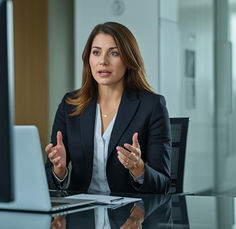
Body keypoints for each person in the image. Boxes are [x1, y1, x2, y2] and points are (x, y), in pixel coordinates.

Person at [45, 22, 171, 194]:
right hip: (82, 215)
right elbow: (47, 181)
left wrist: (138, 168)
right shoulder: (70, 104)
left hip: (131, 215)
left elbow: (163, 184)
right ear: (88, 59)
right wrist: (59, 170)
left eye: (114, 53)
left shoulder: (152, 106)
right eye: (96, 52)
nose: (103, 61)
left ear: (128, 59)